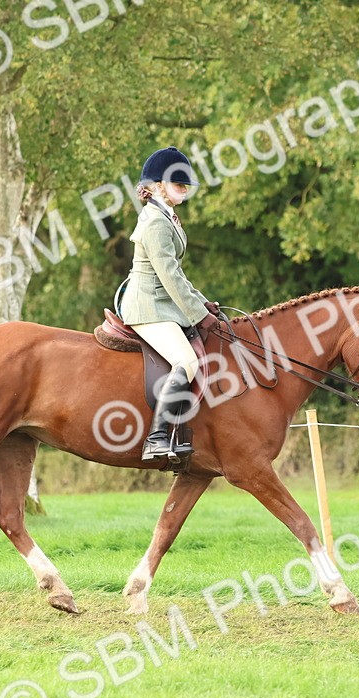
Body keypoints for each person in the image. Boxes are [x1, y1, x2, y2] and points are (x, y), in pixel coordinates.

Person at [118, 146, 220, 462]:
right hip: (147, 305)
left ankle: (178, 431)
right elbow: (170, 278)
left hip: (161, 301)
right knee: (186, 362)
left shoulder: (166, 215)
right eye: (179, 184)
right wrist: (198, 315)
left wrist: (205, 304)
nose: (184, 190)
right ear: (160, 185)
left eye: (186, 184)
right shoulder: (156, 223)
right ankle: (156, 438)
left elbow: (177, 275)